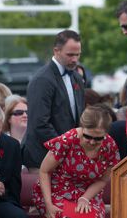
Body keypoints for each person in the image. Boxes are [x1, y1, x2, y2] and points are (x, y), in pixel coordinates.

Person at [32, 105, 120, 218]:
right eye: (88, 136)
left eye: (98, 138)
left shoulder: (109, 146)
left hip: (88, 193)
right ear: (82, 127)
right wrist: (48, 204)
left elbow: (102, 180)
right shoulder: (68, 140)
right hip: (56, 191)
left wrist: (84, 198)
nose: (92, 142)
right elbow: (44, 171)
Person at [22, 30, 85, 172]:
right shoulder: (42, 80)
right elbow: (40, 123)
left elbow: (80, 117)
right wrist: (66, 148)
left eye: (77, 54)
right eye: (70, 55)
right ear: (56, 51)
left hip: (67, 157)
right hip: (42, 158)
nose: (75, 59)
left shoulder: (76, 78)